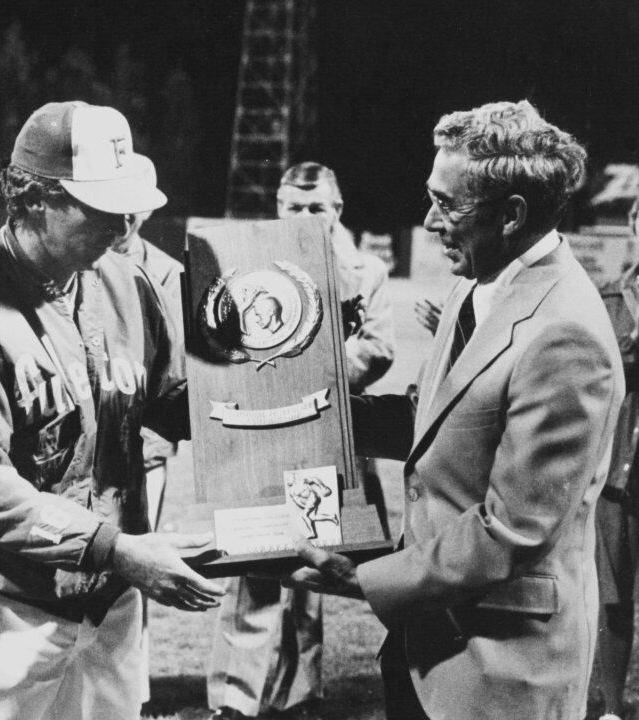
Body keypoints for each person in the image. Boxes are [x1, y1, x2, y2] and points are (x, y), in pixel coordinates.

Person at [286, 100, 623, 720]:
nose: (430, 219)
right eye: (431, 196)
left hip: (502, 670)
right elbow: (430, 420)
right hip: (429, 649)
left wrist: (366, 579)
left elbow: (509, 529)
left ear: (512, 215)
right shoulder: (476, 284)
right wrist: (305, 411)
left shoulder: (564, 333)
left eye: (448, 204)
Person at [0, 100, 225, 720]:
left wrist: (278, 398)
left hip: (114, 602)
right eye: (99, 206)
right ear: (30, 199)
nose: (122, 221)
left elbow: (176, 402)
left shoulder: (125, 284)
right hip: (7, 608)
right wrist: (117, 549)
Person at [207, 161, 395, 720]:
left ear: (337, 210)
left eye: (318, 207)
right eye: (295, 206)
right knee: (251, 568)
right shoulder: (250, 264)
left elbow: (380, 348)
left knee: (311, 570)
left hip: (327, 436)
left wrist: (322, 369)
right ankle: (233, 700)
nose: (306, 216)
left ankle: (299, 694)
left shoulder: (369, 271)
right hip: (264, 432)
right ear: (278, 209)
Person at [108, 154, 183, 530]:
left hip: (145, 446)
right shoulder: (78, 263)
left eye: (132, 210)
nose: (123, 220)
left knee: (143, 554)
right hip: (87, 444)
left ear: (149, 211)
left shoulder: (168, 273)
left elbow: (173, 367)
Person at [586, 197, 639, 720]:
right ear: (632, 224)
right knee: (612, 595)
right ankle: (611, 708)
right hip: (621, 468)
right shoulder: (607, 299)